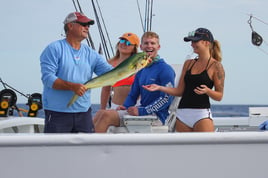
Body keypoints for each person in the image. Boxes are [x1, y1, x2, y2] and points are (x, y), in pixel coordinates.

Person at [40, 12, 113, 133]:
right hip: (57, 113)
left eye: (88, 25)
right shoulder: (54, 48)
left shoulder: (91, 53)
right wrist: (72, 86)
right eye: (84, 24)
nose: (87, 27)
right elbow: (48, 78)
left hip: (84, 113)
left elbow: (110, 73)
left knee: (87, 152)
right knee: (56, 152)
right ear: (70, 26)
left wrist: (134, 63)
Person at [143, 28, 225, 132]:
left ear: (206, 43)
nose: (192, 44)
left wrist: (208, 91)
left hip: (201, 115)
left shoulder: (216, 66)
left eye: (195, 41)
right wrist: (159, 87)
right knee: (184, 149)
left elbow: (219, 96)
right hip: (182, 115)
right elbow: (179, 91)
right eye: (191, 41)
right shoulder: (188, 63)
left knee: (204, 148)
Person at [94, 31, 175, 132]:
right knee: (100, 113)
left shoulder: (165, 69)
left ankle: (93, 147)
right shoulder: (141, 69)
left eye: (153, 43)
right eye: (146, 43)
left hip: (156, 115)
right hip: (142, 112)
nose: (149, 46)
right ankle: (89, 145)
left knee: (106, 116)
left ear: (158, 47)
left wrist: (142, 110)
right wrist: (125, 106)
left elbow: (167, 98)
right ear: (141, 47)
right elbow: (133, 94)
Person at [100, 32, 140, 110]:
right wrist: (102, 109)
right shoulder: (109, 64)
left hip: (135, 107)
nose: (124, 44)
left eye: (128, 43)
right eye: (122, 41)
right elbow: (106, 89)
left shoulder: (138, 63)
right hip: (115, 106)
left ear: (134, 48)